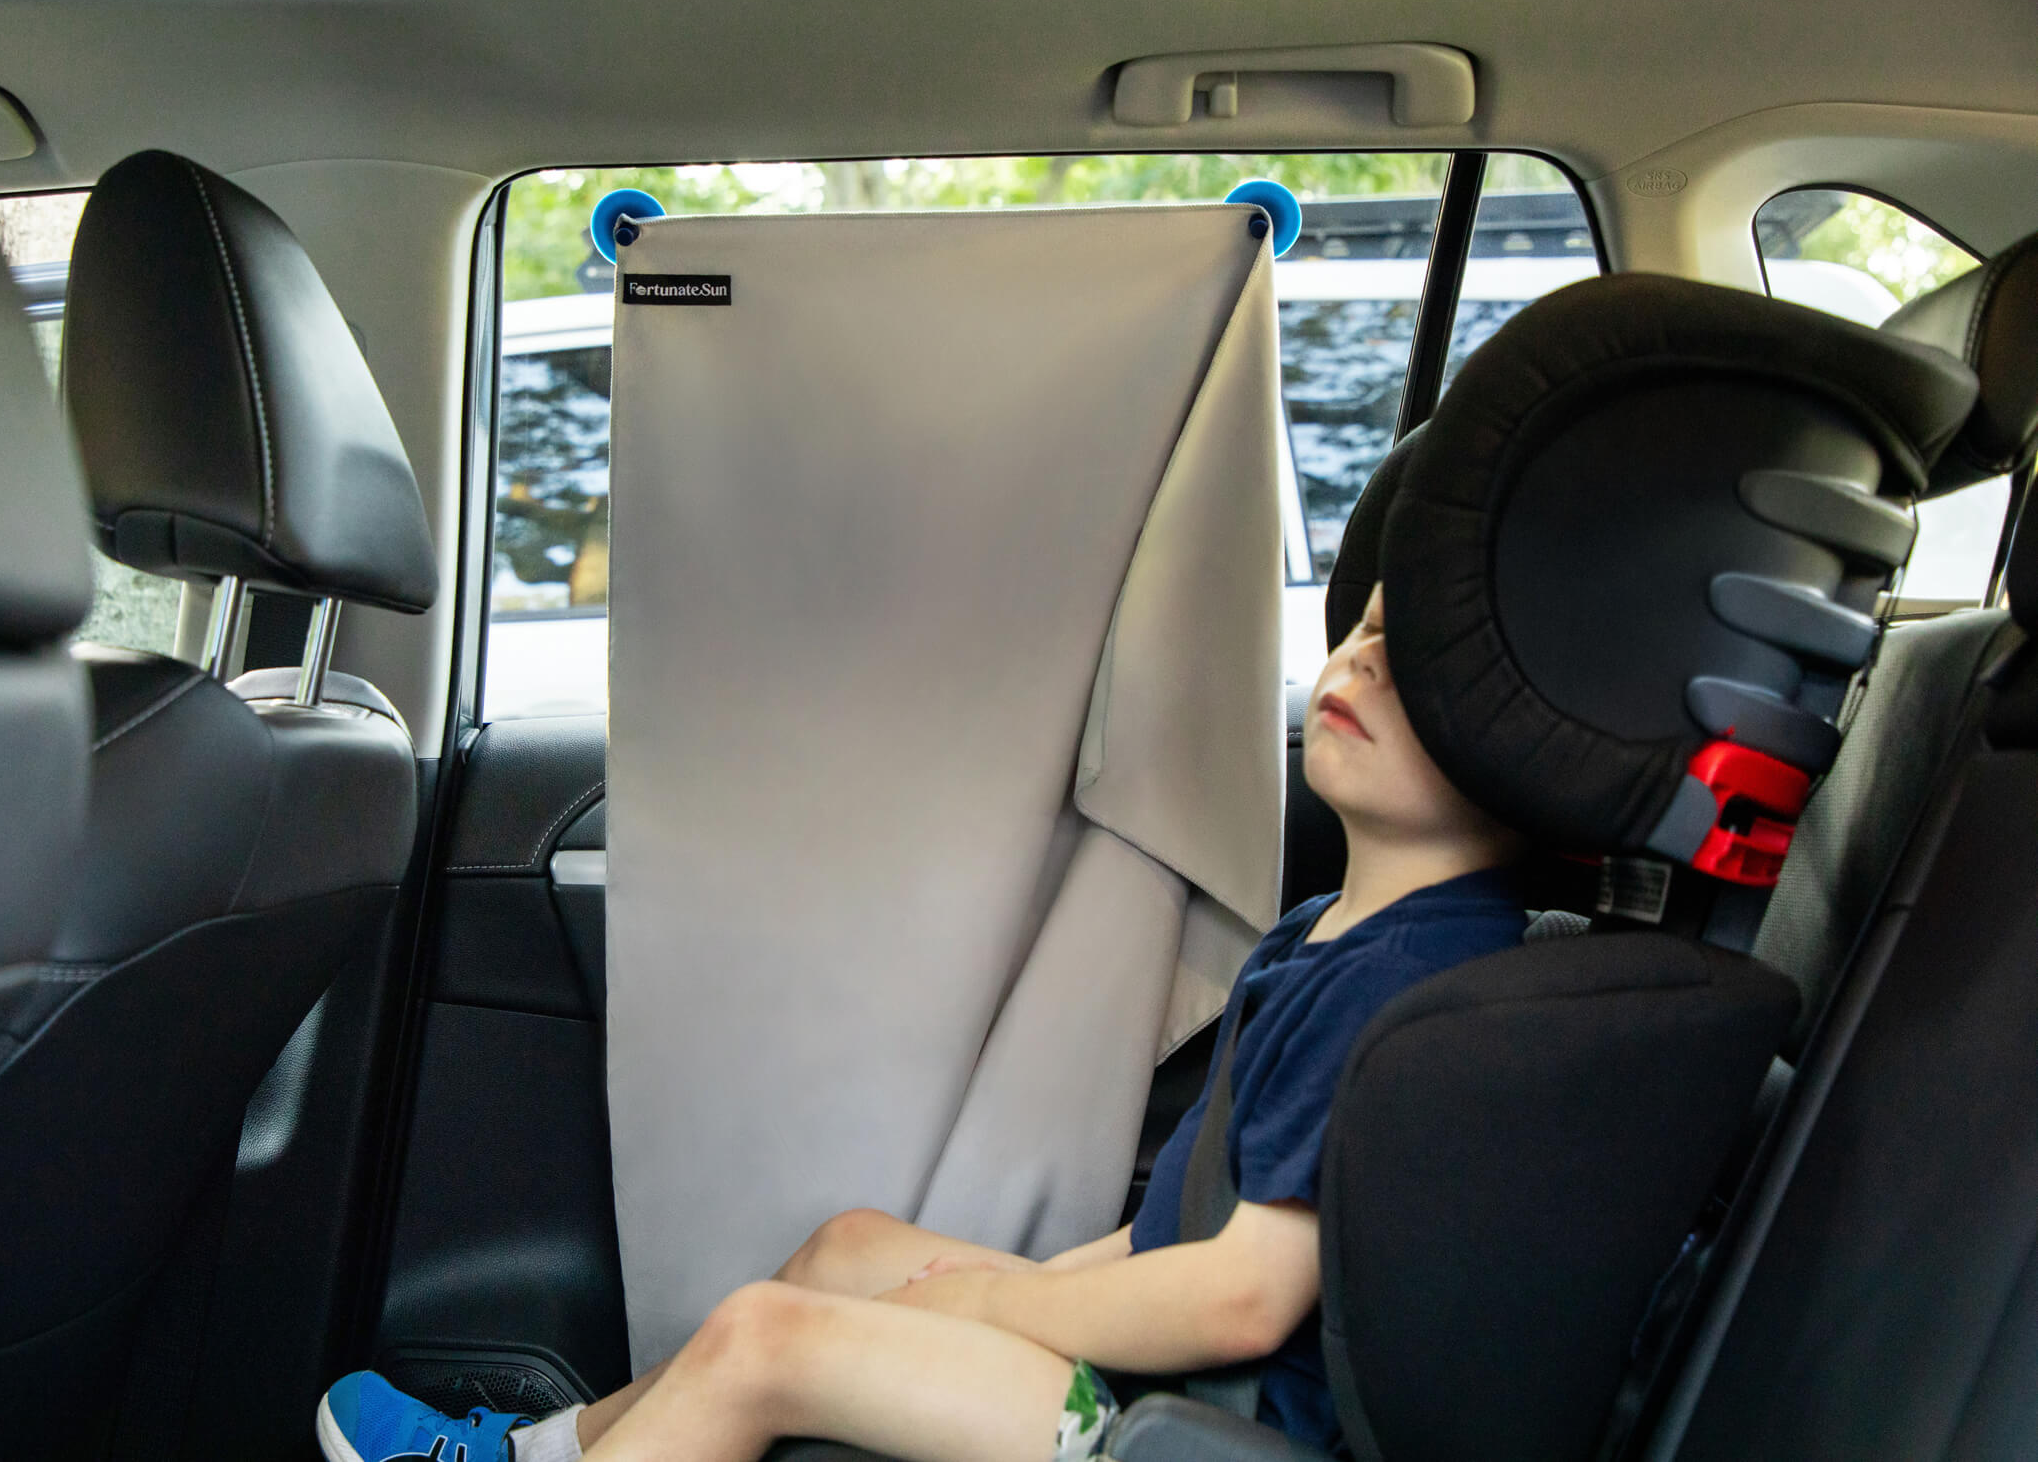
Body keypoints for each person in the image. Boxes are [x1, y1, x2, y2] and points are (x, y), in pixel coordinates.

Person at [319, 583, 1528, 1462]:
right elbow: (1181, 1221)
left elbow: (1241, 1299)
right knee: (848, 1248)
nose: (1363, 664)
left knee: (764, 1342)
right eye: (1369, 628)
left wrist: (997, 1306)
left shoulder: (1405, 980)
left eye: (1416, 663)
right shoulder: (1325, 933)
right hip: (1180, 1381)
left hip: (1202, 1428)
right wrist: (1006, 1285)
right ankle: (537, 1452)